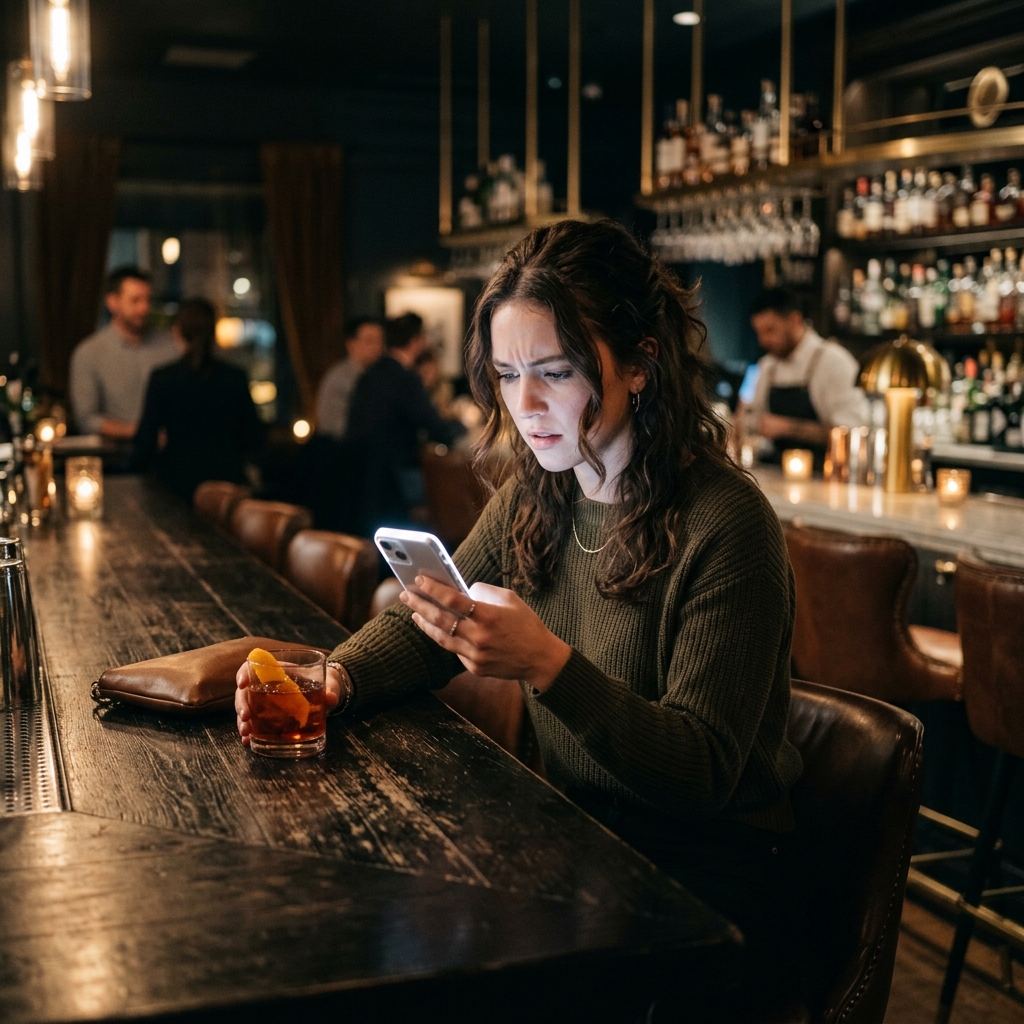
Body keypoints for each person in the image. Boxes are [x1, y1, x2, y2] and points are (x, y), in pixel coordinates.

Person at [236, 220, 804, 1013]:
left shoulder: (726, 520)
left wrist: (548, 664)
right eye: (506, 375)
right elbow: (429, 617)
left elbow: (703, 773)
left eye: (556, 371)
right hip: (579, 839)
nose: (525, 405)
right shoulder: (544, 490)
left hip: (702, 882)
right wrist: (333, 680)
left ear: (640, 364)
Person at [131, 298, 263, 501]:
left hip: (176, 487)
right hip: (227, 488)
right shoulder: (235, 377)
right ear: (214, 331)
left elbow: (145, 441)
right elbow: (253, 437)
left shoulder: (164, 378)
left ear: (177, 332)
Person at [345, 312, 467, 533]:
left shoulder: (371, 374)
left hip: (359, 477)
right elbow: (434, 427)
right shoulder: (404, 378)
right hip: (391, 478)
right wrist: (463, 427)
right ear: (416, 341)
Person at [746, 287, 865, 464]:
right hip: (775, 473)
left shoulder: (834, 362)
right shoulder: (767, 365)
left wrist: (788, 428)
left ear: (794, 320)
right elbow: (751, 419)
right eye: (759, 333)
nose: (763, 341)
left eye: (770, 330)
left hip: (825, 475)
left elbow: (852, 432)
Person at [69, 267, 182, 439]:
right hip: (119, 458)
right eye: (135, 300)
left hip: (172, 456)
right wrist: (141, 432)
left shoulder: (170, 345)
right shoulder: (89, 353)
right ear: (113, 302)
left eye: (147, 300)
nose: (144, 308)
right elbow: (87, 420)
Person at [314, 318, 385, 441]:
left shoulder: (380, 375)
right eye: (370, 341)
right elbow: (336, 428)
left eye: (380, 341)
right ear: (351, 345)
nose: (377, 347)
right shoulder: (340, 379)